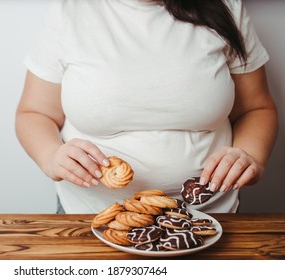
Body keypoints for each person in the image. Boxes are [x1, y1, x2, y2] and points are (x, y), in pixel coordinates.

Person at [15, 0, 278, 214]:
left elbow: (256, 108)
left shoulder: (226, 7)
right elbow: (35, 113)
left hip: (210, 216)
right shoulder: (69, 13)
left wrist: (250, 155)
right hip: (89, 214)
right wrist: (50, 156)